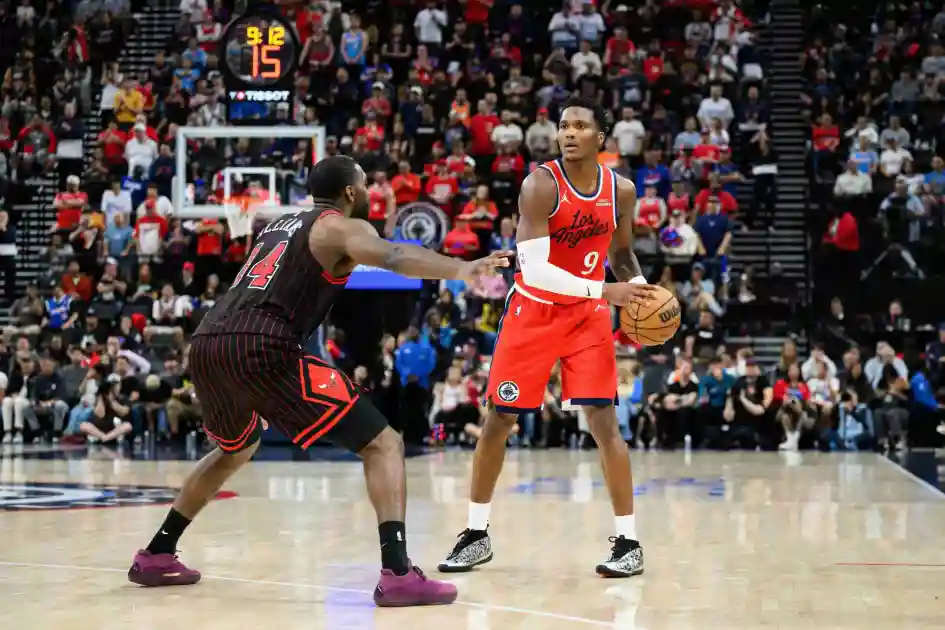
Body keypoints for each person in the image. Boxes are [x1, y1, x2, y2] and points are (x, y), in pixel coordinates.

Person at [128, 155, 511, 607]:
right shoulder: (338, 226)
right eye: (365, 185)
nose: (370, 194)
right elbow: (391, 255)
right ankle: (398, 573)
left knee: (235, 447)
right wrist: (460, 269)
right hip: (262, 344)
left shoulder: (277, 226)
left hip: (209, 342)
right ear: (351, 192)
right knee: (384, 443)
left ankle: (157, 553)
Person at [438, 97, 659, 578]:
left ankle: (629, 542)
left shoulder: (621, 190)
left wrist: (640, 292)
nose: (570, 133)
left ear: (601, 138)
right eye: (564, 126)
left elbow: (621, 255)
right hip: (534, 312)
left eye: (581, 126)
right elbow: (535, 270)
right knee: (499, 420)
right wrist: (608, 290)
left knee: (604, 423)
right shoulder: (540, 185)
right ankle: (476, 533)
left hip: (587, 318)